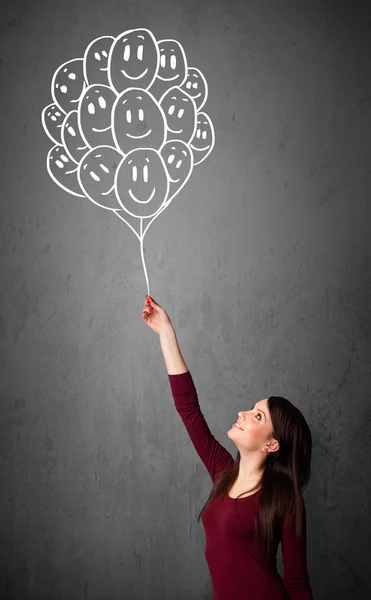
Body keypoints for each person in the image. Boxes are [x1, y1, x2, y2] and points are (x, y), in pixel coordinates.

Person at [142, 294, 313, 600]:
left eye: (257, 416)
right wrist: (166, 330)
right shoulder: (224, 474)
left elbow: (297, 585)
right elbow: (189, 410)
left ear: (273, 443)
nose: (242, 414)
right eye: (251, 407)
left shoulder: (286, 499)